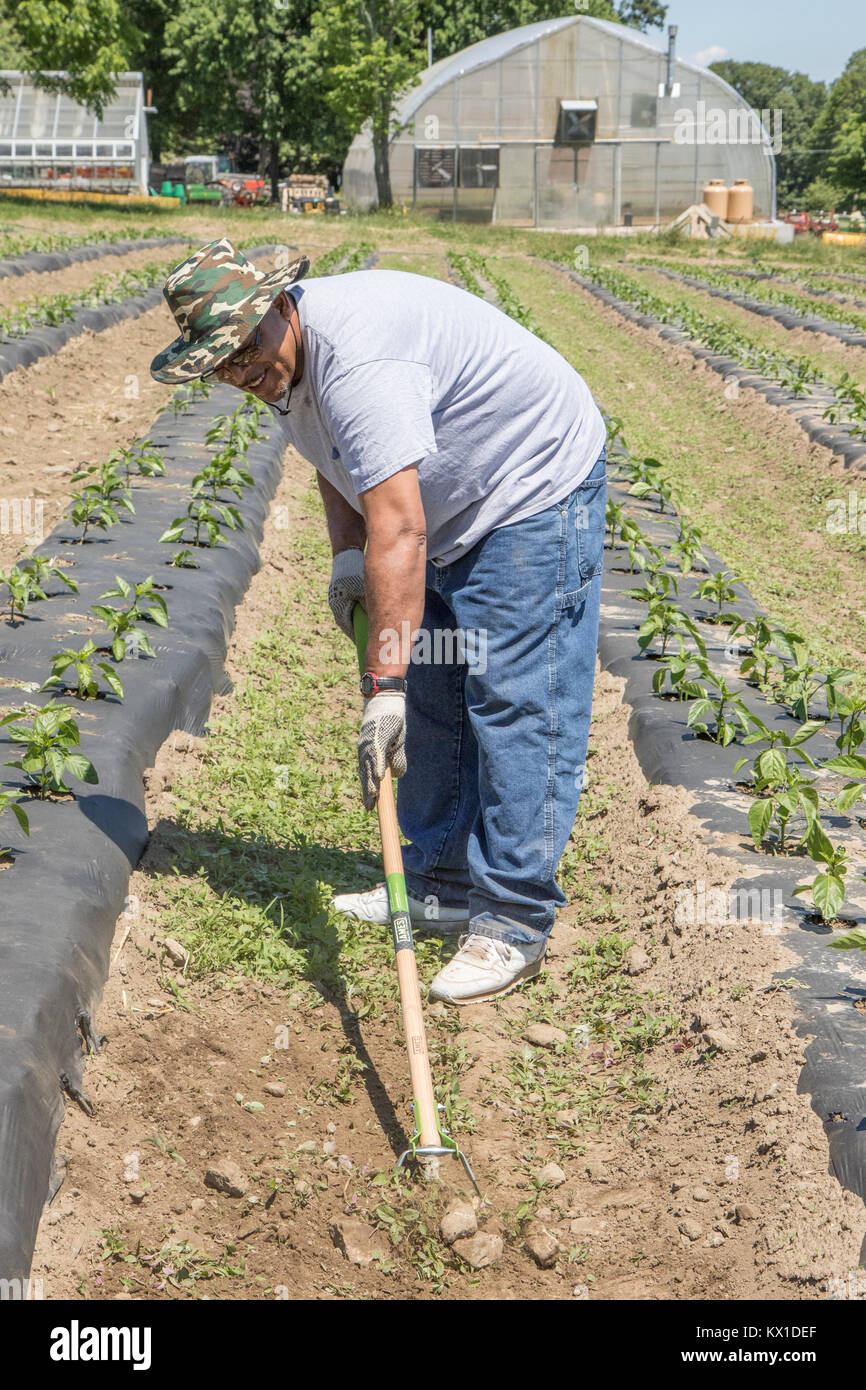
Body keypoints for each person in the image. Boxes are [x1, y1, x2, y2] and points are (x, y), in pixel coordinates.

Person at [151, 238, 607, 1006]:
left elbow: (400, 527)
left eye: (249, 348)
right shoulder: (288, 367)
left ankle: (514, 921)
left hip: (529, 486)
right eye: (223, 364)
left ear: (278, 308)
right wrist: (345, 562)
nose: (245, 370)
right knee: (437, 688)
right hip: (446, 500)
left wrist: (381, 686)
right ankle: (437, 884)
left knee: (515, 701)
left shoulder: (360, 363)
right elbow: (341, 464)